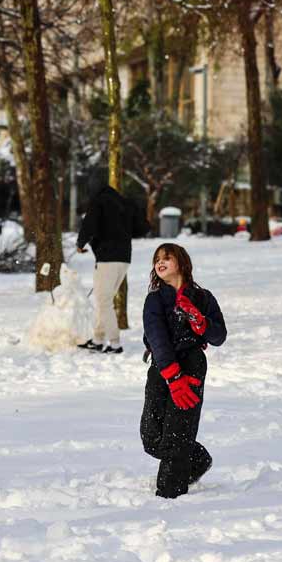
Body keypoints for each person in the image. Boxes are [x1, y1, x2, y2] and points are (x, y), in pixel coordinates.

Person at [139, 243, 226, 499]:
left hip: (192, 364)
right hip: (163, 366)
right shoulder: (155, 300)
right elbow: (156, 338)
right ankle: (197, 460)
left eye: (167, 257)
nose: (160, 262)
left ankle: (169, 494)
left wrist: (201, 323)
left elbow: (219, 336)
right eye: (157, 259)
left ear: (182, 262)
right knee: (152, 435)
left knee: (178, 432)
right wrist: (173, 376)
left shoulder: (203, 298)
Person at [75, 185, 147, 354]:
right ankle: (98, 340)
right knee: (105, 300)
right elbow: (142, 228)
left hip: (107, 258)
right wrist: (122, 233)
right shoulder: (126, 204)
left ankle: (115, 343)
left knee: (103, 301)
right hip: (124, 259)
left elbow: (89, 223)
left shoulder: (99, 202)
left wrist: (80, 243)